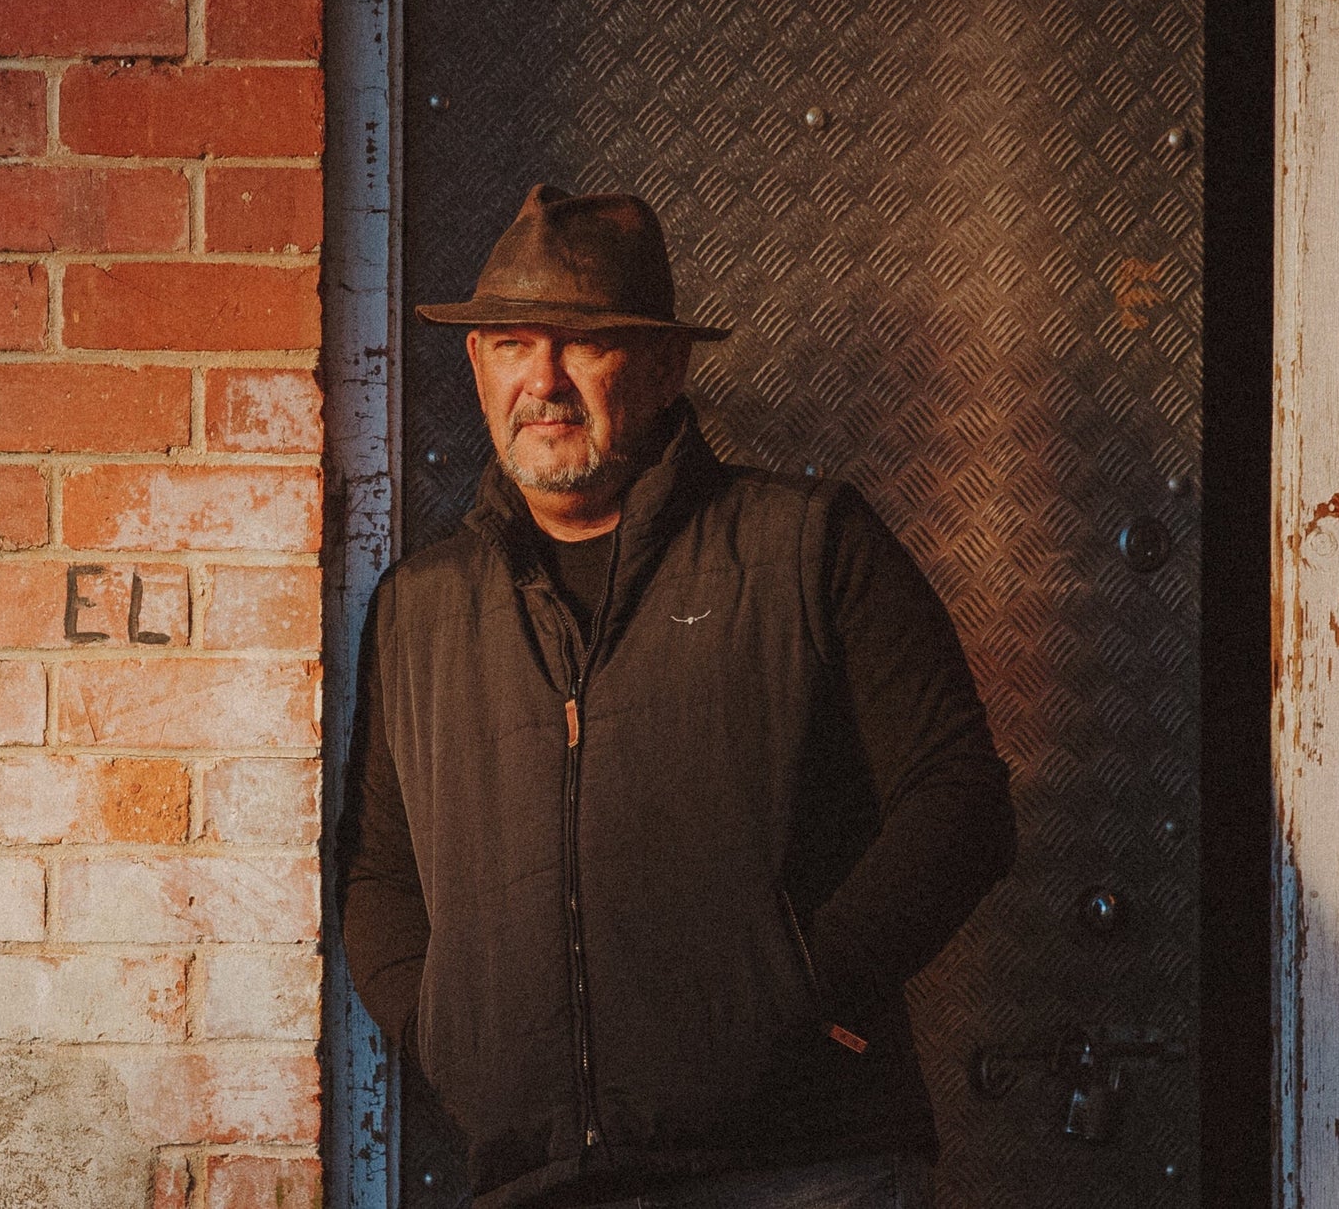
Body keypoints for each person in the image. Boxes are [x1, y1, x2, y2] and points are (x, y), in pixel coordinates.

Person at [339, 183, 1015, 1209]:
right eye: (514, 344)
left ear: (663, 366)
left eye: (585, 343)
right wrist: (448, 1035)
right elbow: (376, 877)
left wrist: (799, 993)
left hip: (805, 1172)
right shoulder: (418, 612)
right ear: (477, 365)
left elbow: (960, 801)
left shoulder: (810, 543)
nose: (544, 381)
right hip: (540, 1184)